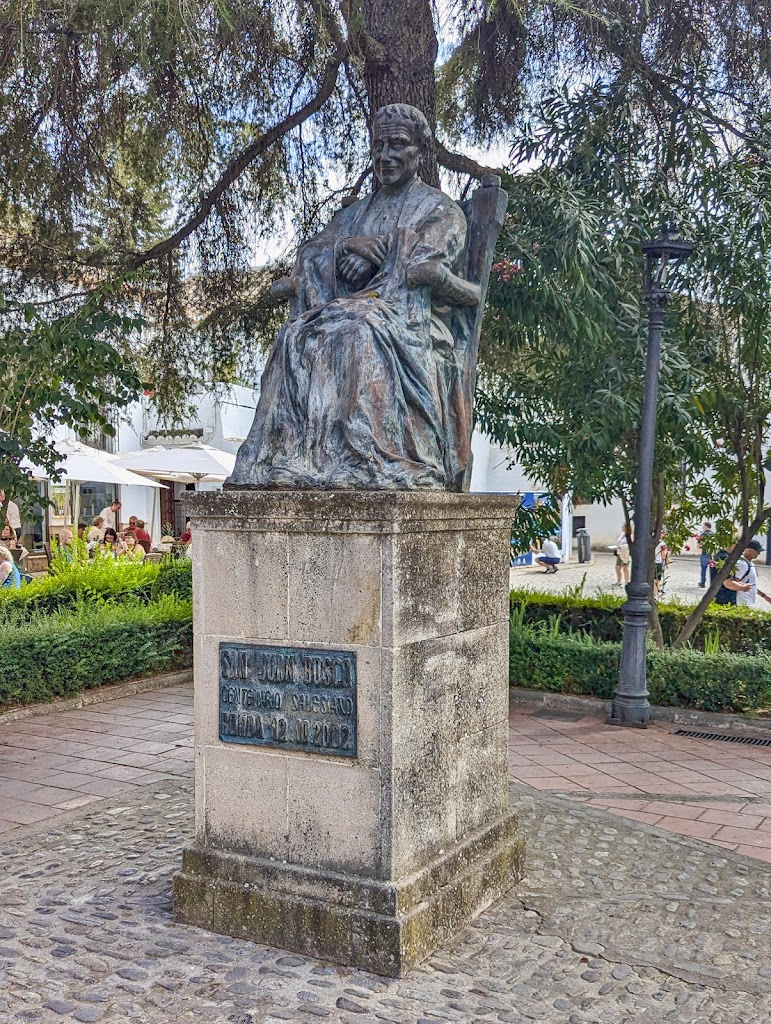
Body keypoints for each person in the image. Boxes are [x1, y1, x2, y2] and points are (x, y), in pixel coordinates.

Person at [229, 103, 481, 491]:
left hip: (410, 321)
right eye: (379, 146)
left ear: (419, 151)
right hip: (348, 312)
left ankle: (369, 456)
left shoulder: (440, 210)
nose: (386, 156)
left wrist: (383, 251)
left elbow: (423, 267)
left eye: (397, 145)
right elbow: (314, 252)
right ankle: (297, 460)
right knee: (295, 336)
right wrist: (351, 247)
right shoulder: (353, 213)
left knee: (359, 333)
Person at [715, 540, 771, 608]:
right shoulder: (741, 563)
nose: (758, 553)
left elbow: (751, 584)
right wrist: (742, 587)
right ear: (749, 550)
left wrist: (764, 596)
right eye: (757, 551)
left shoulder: (750, 563)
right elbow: (732, 582)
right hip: (742, 603)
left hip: (748, 602)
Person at [696, 520, 716, 587]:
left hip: (704, 554)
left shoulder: (702, 535)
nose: (702, 528)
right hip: (712, 554)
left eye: (703, 526)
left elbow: (698, 546)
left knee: (703, 570)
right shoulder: (714, 534)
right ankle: (713, 584)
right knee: (713, 570)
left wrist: (702, 545)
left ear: (707, 527)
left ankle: (702, 583)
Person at [654, 532, 669, 599]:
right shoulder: (662, 544)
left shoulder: (652, 542)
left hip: (652, 561)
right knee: (657, 578)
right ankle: (656, 592)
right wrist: (667, 561)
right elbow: (663, 555)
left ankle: (655, 591)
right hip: (658, 562)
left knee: (653, 578)